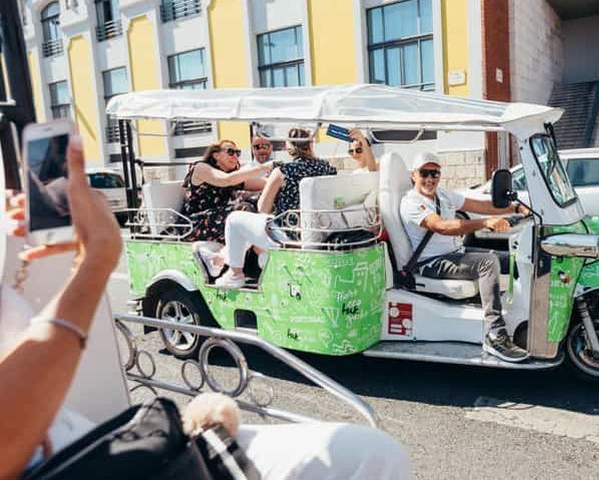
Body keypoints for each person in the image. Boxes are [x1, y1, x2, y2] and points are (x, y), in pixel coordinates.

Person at [0, 135, 411, 479]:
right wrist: (98, 260)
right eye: (231, 150)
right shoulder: (202, 171)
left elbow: (251, 186)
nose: (237, 155)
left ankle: (239, 266)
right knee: (365, 457)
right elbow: (231, 178)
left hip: (87, 436)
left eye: (239, 150)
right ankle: (231, 268)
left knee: (371, 453)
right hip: (204, 222)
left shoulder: (239, 175)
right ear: (214, 154)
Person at [399, 152, 531, 363]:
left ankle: (523, 313)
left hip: (454, 254)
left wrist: (517, 207)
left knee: (512, 258)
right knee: (488, 263)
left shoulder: (443, 195)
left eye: (435, 173)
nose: (430, 179)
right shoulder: (411, 203)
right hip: (431, 263)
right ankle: (495, 333)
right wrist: (485, 223)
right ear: (414, 175)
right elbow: (441, 226)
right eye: (424, 173)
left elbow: (483, 206)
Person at [212, 128, 337, 289]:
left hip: (288, 234)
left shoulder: (283, 171)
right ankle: (243, 259)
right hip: (320, 232)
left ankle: (235, 274)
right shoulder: (327, 168)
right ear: (310, 144)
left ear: (288, 147)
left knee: (235, 219)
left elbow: (262, 207)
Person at [182, 139, 275, 243]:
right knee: (242, 210)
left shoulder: (231, 176)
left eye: (237, 153)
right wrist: (264, 167)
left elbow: (266, 183)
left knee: (259, 199)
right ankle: (258, 244)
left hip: (217, 219)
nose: (235, 156)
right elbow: (226, 180)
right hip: (194, 225)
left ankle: (275, 237)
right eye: (230, 152)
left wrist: (280, 176)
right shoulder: (201, 167)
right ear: (216, 155)